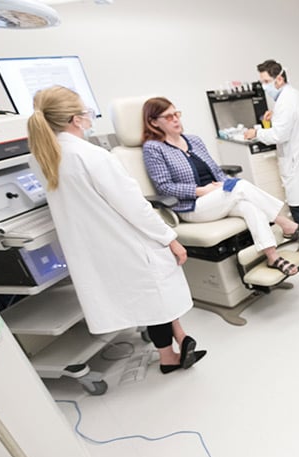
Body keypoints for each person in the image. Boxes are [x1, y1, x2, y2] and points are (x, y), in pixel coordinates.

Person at [26, 86, 205, 374]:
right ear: (75, 119)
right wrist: (169, 238)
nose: (89, 116)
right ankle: (168, 357)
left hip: (95, 248)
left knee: (153, 297)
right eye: (86, 112)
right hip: (126, 240)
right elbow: (134, 206)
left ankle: (181, 339)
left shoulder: (40, 157)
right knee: (156, 294)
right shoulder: (93, 156)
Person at [142, 97, 299, 277]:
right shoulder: (153, 148)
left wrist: (223, 184)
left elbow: (216, 171)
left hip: (216, 199)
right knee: (240, 186)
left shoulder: (193, 140)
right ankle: (285, 223)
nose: (176, 119)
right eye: (168, 117)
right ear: (154, 122)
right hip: (192, 206)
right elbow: (164, 186)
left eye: (176, 114)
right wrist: (201, 191)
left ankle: (272, 256)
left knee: (250, 206)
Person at [243, 60, 299, 259]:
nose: (264, 86)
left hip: (295, 158)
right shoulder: (294, 95)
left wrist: (255, 132)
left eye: (266, 81)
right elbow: (290, 122)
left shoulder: (285, 101)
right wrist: (274, 117)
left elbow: (279, 136)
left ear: (279, 79)